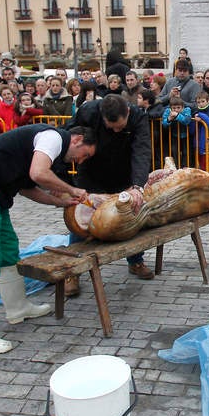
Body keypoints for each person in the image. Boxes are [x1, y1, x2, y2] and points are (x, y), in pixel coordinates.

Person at [0, 124, 96, 353]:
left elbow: (27, 188)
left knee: (7, 250)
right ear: (77, 140)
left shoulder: (40, 149)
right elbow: (39, 174)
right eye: (85, 154)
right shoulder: (53, 137)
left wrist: (61, 201)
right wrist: (72, 190)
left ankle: (17, 308)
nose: (81, 161)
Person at [65, 94, 152, 293]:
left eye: (120, 127)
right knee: (80, 222)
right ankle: (72, 272)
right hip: (91, 171)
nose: (116, 130)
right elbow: (68, 140)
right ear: (102, 116)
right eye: (111, 126)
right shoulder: (88, 111)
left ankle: (135, 261)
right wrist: (62, 181)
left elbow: (142, 151)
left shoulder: (138, 117)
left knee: (130, 218)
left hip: (123, 173)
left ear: (128, 112)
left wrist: (138, 185)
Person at [190, 91, 209, 171]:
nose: (201, 104)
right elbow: (192, 131)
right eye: (198, 102)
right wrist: (195, 121)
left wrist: (202, 116)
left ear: (208, 101)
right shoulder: (196, 114)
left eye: (203, 101)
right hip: (198, 144)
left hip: (208, 145)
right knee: (199, 167)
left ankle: (207, 182)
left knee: (205, 167)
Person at [161, 96, 192, 167]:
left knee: (186, 152)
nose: (176, 110)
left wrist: (177, 115)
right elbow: (164, 123)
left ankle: (185, 169)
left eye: (178, 108)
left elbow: (186, 120)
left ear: (182, 107)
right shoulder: (168, 111)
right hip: (174, 135)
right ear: (171, 108)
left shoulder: (187, 110)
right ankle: (176, 168)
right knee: (175, 152)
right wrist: (169, 119)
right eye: (174, 108)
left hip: (186, 135)